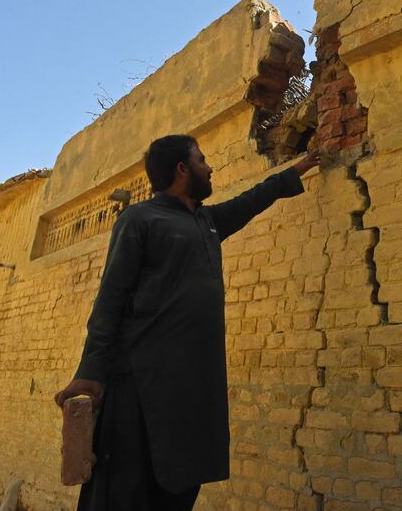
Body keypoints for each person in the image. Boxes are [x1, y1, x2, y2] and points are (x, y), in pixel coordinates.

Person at [54, 134, 320, 510]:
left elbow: (251, 201)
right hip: (139, 387)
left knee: (179, 488)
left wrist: (299, 168)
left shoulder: (207, 221)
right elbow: (110, 300)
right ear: (182, 169)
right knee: (123, 495)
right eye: (202, 159)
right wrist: (91, 370)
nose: (209, 167)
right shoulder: (139, 218)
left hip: (193, 391)